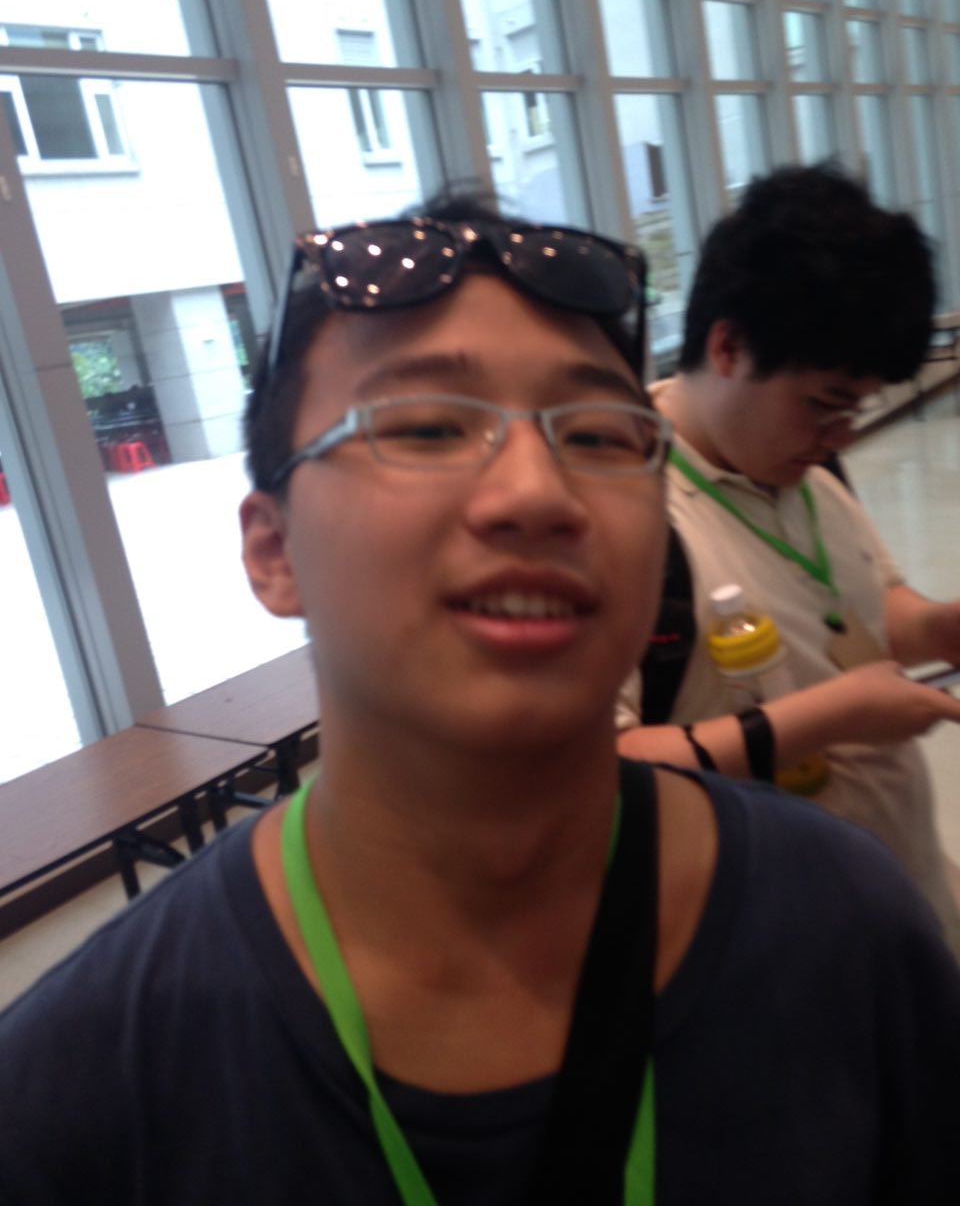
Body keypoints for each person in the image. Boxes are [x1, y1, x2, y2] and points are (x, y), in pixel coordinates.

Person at [1, 192, 958, 1204]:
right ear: (273, 550)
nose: (536, 493)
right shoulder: (84, 1090)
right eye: (424, 426)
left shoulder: (846, 929)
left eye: (598, 434)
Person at [616, 162, 960, 954]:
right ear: (728, 346)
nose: (842, 436)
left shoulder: (806, 467)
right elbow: (604, 773)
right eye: (824, 404)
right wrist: (831, 719)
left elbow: (862, 610)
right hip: (771, 954)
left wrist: (941, 628)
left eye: (856, 410)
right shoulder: (625, 511)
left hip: (901, 905)